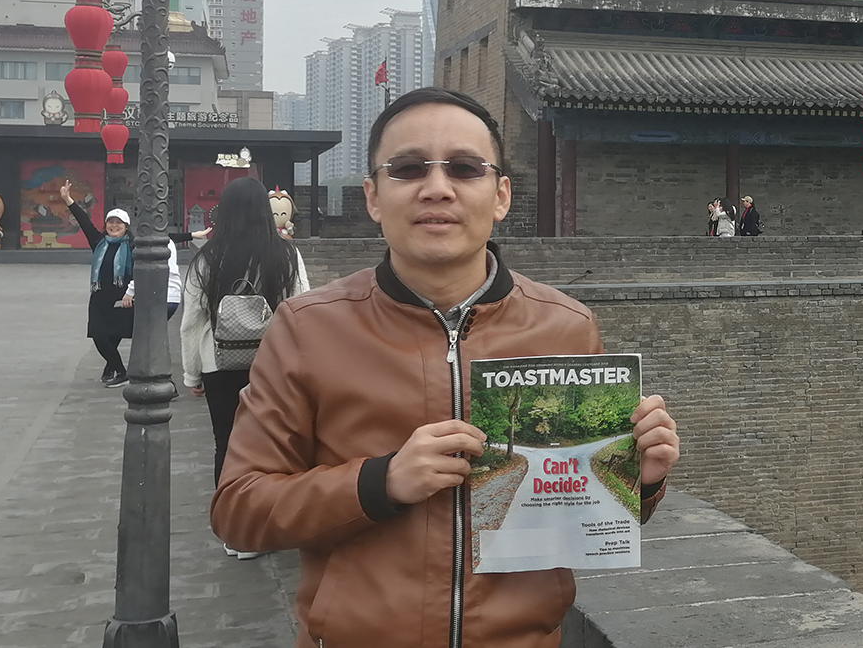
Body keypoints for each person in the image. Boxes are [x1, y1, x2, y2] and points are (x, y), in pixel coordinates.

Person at [211, 87, 680, 646]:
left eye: (465, 168)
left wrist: (638, 479)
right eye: (408, 169)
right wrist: (379, 482)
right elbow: (239, 509)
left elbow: (580, 516)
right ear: (374, 197)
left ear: (500, 194)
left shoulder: (567, 326)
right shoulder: (308, 328)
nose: (437, 188)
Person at [180, 178, 310, 530]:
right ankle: (268, 521)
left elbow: (191, 321)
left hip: (218, 363)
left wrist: (192, 373)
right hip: (273, 366)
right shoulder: (286, 254)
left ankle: (234, 530)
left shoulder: (208, 258)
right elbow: (302, 312)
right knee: (271, 444)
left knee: (226, 441)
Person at [60, 181, 134, 388]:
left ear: (126, 226)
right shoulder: (99, 242)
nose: (114, 226)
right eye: (110, 222)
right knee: (98, 334)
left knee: (114, 335)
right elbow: (84, 222)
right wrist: (68, 200)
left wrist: (131, 293)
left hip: (122, 299)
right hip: (100, 298)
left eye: (119, 223)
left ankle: (113, 368)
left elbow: (139, 271)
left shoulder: (133, 246)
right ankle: (118, 369)